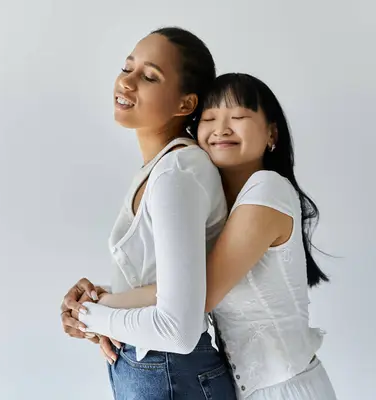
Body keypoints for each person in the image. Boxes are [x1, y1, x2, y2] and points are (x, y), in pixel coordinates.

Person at [74, 73, 338, 399]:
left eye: (238, 117)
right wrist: (104, 301)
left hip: (286, 390)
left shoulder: (267, 190)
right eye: (210, 118)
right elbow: (178, 287)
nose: (221, 128)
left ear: (272, 133)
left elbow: (199, 294)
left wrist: (96, 311)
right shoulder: (224, 207)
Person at [59, 27, 237, 399]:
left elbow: (179, 329)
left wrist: (88, 316)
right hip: (156, 369)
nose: (127, 81)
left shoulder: (178, 173)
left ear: (185, 105)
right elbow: (166, 287)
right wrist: (96, 301)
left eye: (149, 76)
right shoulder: (164, 168)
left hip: (169, 371)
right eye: (127, 67)